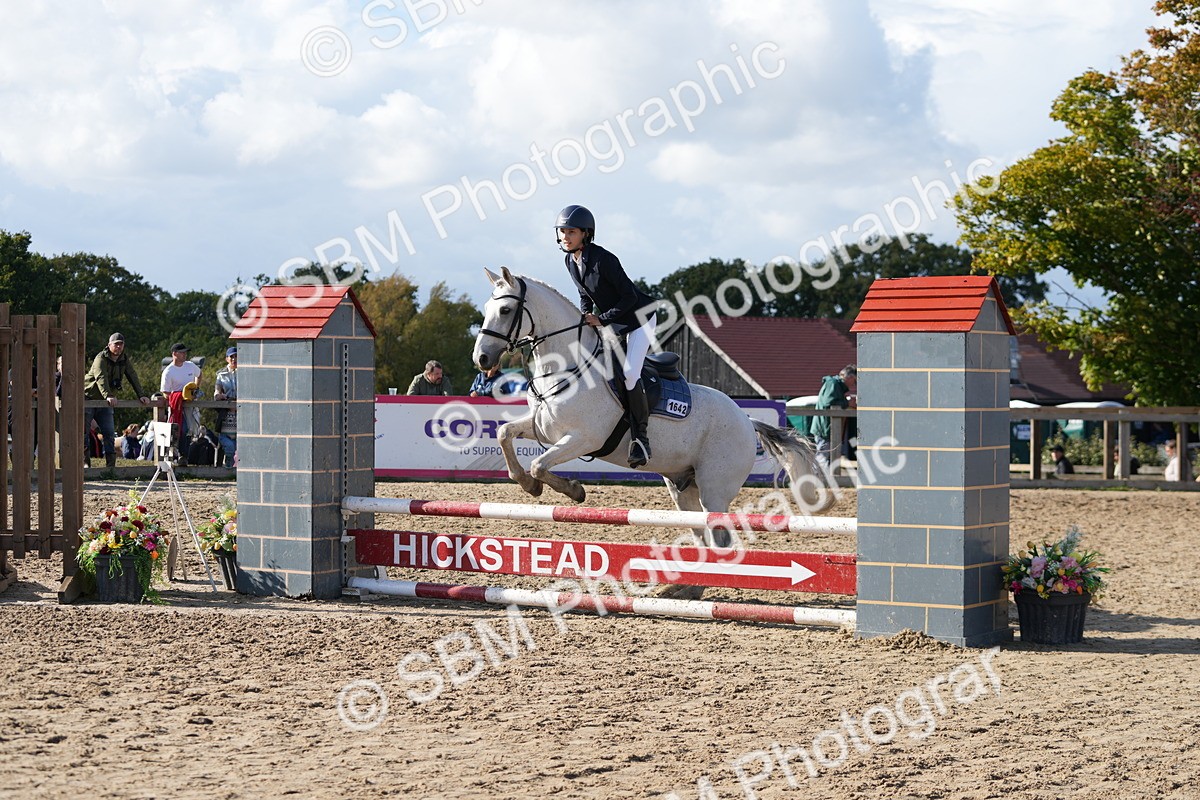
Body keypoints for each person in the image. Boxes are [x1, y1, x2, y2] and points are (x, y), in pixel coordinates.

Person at [556, 204, 658, 468]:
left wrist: (601, 319)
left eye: (571, 232)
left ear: (586, 234)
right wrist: (584, 316)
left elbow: (630, 297)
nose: (565, 236)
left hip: (639, 319)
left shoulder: (604, 259)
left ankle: (641, 439)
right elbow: (584, 295)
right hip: (614, 323)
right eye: (562, 231)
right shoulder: (570, 260)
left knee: (629, 374)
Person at [82, 332, 150, 468]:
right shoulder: (100, 358)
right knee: (84, 432)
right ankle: (84, 463)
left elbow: (132, 376)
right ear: (109, 345)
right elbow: (101, 377)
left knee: (109, 432)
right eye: (116, 344)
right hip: (89, 398)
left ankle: (110, 467)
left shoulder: (123, 359)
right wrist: (108, 394)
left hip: (106, 401)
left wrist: (141, 394)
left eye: (121, 344)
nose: (118, 347)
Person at [811, 365, 857, 468]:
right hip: (825, 428)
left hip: (826, 428)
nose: (853, 385)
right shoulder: (833, 384)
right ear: (849, 377)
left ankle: (822, 481)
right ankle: (815, 481)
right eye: (854, 381)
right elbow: (829, 402)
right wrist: (848, 403)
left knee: (826, 458)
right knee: (822, 458)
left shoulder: (834, 384)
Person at [213, 346, 238, 467]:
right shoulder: (221, 375)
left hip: (242, 413)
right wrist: (219, 396)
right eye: (231, 356)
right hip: (226, 413)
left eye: (236, 356)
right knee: (229, 446)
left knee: (241, 446)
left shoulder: (247, 372)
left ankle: (238, 472)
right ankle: (228, 470)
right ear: (227, 359)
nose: (234, 359)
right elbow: (216, 392)